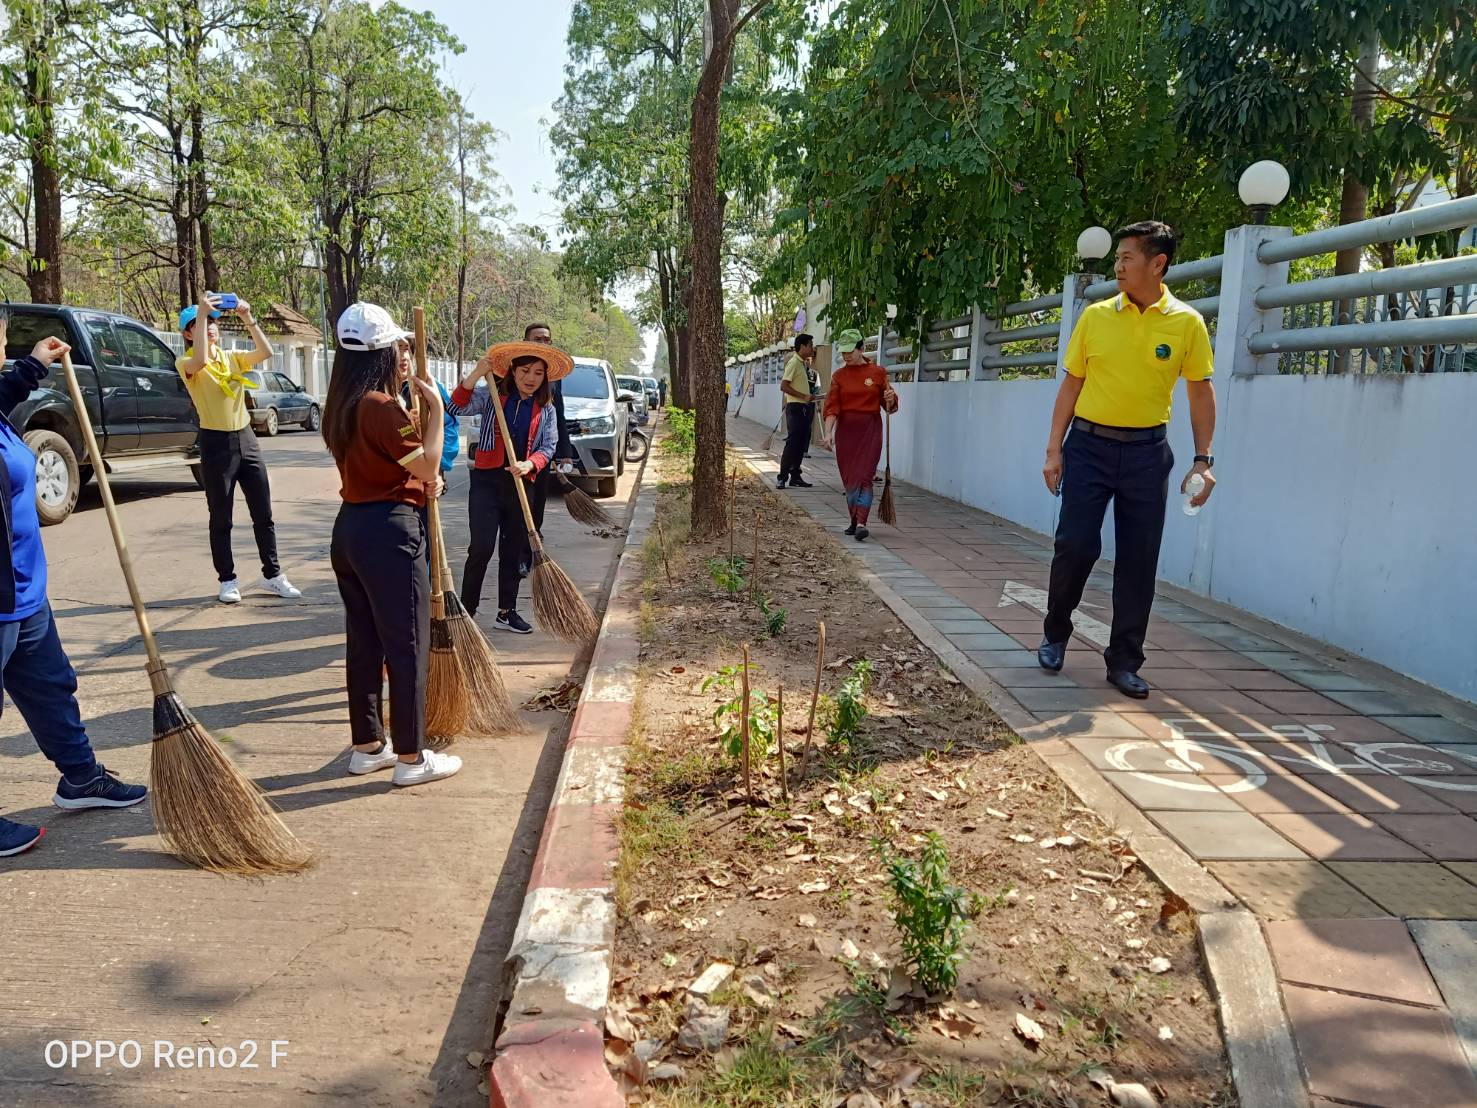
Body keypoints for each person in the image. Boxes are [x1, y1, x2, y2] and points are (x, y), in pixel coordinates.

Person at [1039, 221, 1217, 700]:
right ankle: (1055, 633)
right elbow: (1071, 385)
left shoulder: (1186, 323)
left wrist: (1203, 459)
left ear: (1157, 264)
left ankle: (1124, 661)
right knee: (1076, 545)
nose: (1117, 266)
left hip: (1146, 453)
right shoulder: (1096, 317)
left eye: (1127, 258)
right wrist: (1054, 448)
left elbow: (1200, 393)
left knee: (1139, 560)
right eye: (1116, 258)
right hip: (1089, 446)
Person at [0, 329, 147, 856]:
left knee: (51, 687)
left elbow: (4, 391)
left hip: (24, 593)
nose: (3, 355)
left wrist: (35, 365)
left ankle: (81, 778)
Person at [322, 302, 460, 787]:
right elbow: (425, 465)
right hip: (390, 531)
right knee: (407, 646)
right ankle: (411, 756)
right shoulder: (381, 408)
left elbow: (393, 466)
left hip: (351, 529)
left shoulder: (340, 402)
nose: (404, 352)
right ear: (382, 353)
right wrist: (438, 413)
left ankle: (367, 746)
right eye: (398, 346)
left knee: (364, 643)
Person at [176, 291, 301, 604]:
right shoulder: (187, 363)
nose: (210, 327)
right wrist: (202, 312)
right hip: (216, 442)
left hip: (246, 438)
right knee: (221, 517)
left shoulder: (231, 357)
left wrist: (248, 318)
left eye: (213, 322)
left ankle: (272, 574)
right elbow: (200, 359)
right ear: (188, 333)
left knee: (264, 512)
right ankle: (227, 579)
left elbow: (266, 351)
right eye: (200, 324)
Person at [448, 340, 573, 633]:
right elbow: (455, 405)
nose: (530, 378)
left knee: (513, 549)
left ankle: (507, 611)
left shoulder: (547, 409)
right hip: (486, 482)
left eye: (538, 373)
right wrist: (477, 372)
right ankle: (467, 610)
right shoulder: (492, 395)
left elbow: (549, 445)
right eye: (525, 370)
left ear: (545, 378)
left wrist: (530, 464)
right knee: (481, 547)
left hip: (521, 483)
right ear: (513, 372)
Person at [822, 328, 898, 541]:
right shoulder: (839, 376)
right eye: (843, 352)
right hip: (846, 432)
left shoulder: (878, 373)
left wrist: (891, 398)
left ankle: (862, 522)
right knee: (850, 479)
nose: (846, 356)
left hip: (870, 430)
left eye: (850, 351)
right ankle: (854, 519)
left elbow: (889, 406)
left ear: (861, 349)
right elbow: (832, 408)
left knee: (864, 476)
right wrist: (828, 433)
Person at [396, 339, 459, 480]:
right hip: (394, 476)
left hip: (425, 471)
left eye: (406, 349)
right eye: (398, 348)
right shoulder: (380, 393)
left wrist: (439, 468)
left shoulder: (428, 388)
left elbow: (449, 426)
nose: (404, 356)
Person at [777, 333, 817, 489]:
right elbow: (784, 386)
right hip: (795, 408)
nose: (812, 349)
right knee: (792, 443)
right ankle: (782, 477)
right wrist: (803, 396)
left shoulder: (803, 364)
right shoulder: (794, 362)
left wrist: (810, 397)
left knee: (801, 444)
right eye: (811, 345)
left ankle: (795, 476)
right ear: (803, 346)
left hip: (804, 408)